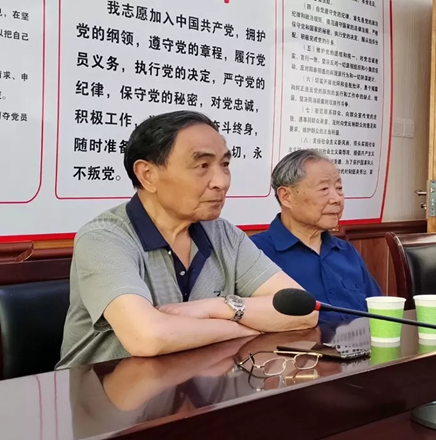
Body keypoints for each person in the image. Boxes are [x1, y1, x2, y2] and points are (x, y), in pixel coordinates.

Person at [58, 111, 317, 369]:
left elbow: (305, 311)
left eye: (225, 165)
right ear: (147, 175)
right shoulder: (104, 237)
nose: (221, 182)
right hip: (105, 387)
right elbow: (148, 337)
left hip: (195, 383)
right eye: (202, 166)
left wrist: (217, 308)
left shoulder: (224, 234)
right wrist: (246, 329)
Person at [251, 150, 382, 320]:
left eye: (339, 188)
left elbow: (379, 310)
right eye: (324, 189)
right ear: (286, 197)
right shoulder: (255, 254)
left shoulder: (346, 251)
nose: (336, 199)